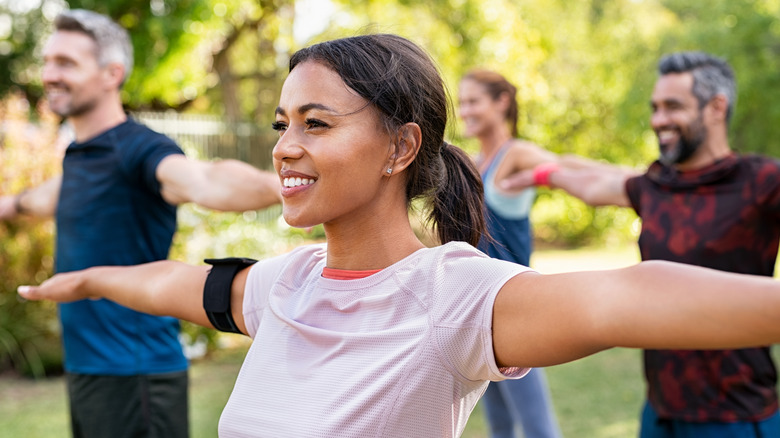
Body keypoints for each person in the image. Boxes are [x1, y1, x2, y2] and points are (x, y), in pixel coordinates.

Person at [16, 35, 780, 438]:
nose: (285, 145)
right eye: (284, 124)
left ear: (400, 148)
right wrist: (88, 279)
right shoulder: (287, 285)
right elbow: (180, 283)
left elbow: (627, 294)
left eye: (317, 123)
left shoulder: (451, 296)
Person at [0, 9, 281, 438]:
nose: (49, 74)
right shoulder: (80, 157)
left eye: (66, 63)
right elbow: (31, 201)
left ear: (112, 73)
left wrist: (289, 185)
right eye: (49, 61)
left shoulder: (139, 150)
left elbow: (204, 180)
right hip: (89, 370)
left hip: (135, 375)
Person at [502, 52, 780, 438]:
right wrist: (541, 174)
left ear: (717, 107)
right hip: (660, 412)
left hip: (735, 415)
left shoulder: (762, 181)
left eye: (672, 107)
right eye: (655, 108)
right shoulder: (656, 184)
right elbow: (596, 185)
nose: (658, 120)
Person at [458, 69, 561, 438]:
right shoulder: (472, 163)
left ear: (501, 102)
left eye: (473, 101)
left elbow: (565, 168)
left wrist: (634, 184)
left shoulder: (516, 154)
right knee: (500, 427)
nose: (464, 110)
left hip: (516, 312)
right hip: (477, 313)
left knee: (537, 429)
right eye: (462, 101)